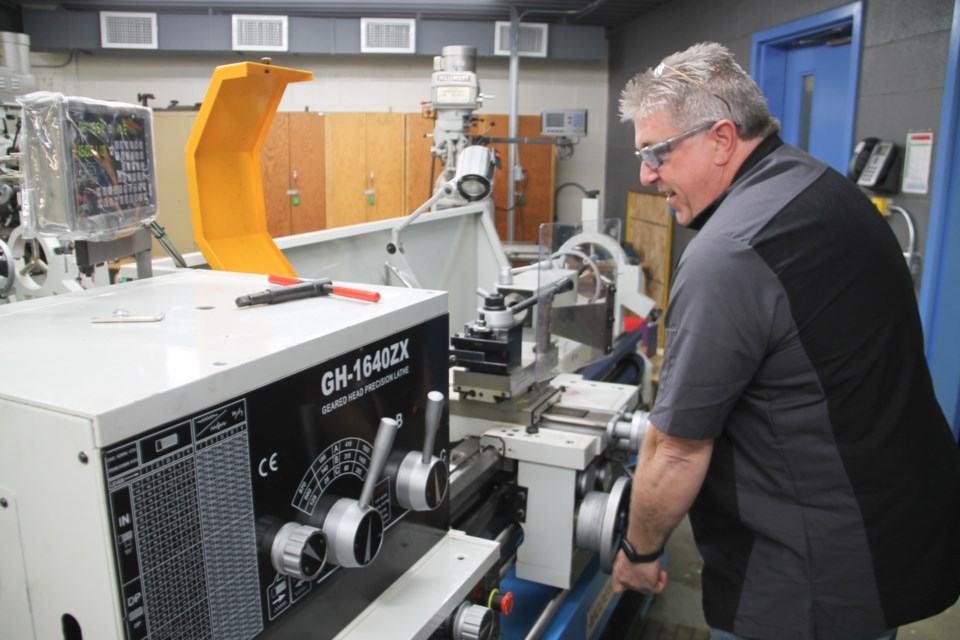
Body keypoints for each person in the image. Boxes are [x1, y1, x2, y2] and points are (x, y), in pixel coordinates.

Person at [611, 42, 960, 640]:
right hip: (891, 528)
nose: (646, 174)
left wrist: (639, 553)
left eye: (657, 151)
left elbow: (675, 451)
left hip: (808, 578)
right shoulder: (824, 188)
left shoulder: (729, 252)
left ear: (722, 139)